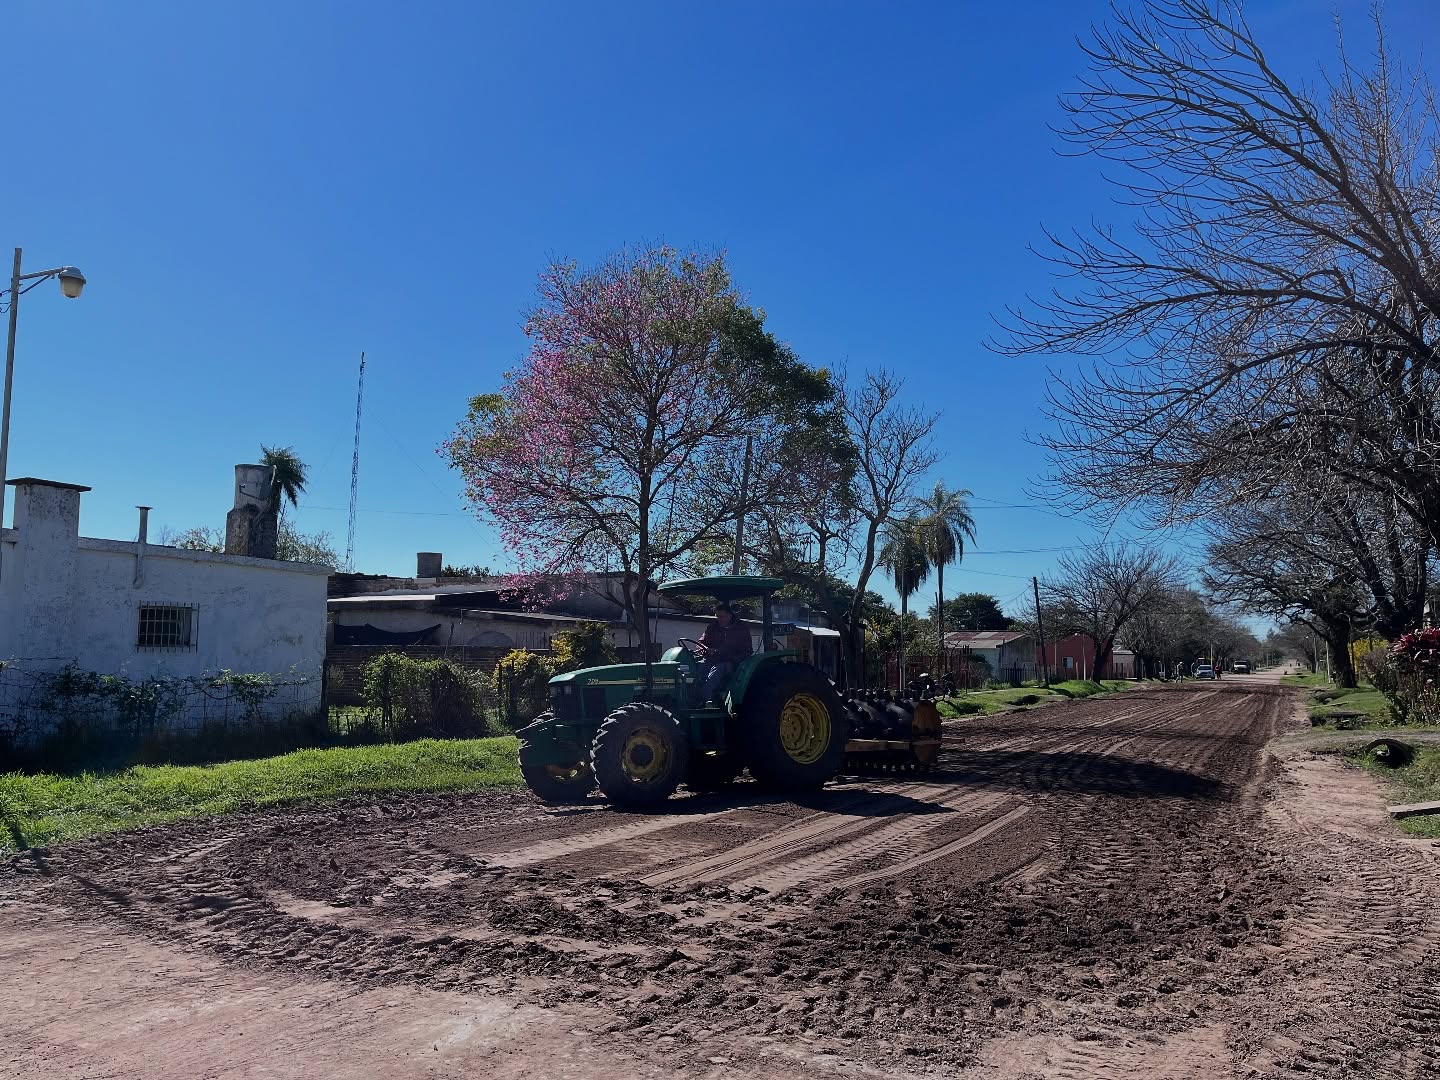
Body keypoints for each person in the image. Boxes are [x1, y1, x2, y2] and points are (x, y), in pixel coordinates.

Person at [694, 601, 753, 705]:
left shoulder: (741, 629)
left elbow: (747, 651)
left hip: (732, 662)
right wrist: (705, 649)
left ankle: (705, 702)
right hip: (712, 659)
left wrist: (723, 654)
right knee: (697, 668)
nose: (719, 619)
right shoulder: (713, 627)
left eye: (722, 616)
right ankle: (692, 698)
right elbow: (701, 642)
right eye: (717, 616)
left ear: (730, 615)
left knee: (716, 671)